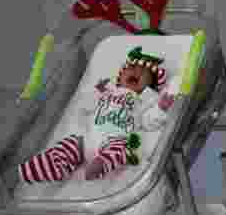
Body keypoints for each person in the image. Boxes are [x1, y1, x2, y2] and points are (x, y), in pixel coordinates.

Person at [16, 47, 174, 184]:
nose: (136, 72)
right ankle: (45, 167)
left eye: (143, 72)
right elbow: (85, 106)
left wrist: (160, 109)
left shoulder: (145, 99)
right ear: (120, 76)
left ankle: (101, 164)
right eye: (131, 69)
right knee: (69, 144)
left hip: (117, 138)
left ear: (151, 85)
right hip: (89, 138)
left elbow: (147, 122)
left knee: (123, 149)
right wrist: (97, 91)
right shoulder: (108, 90)